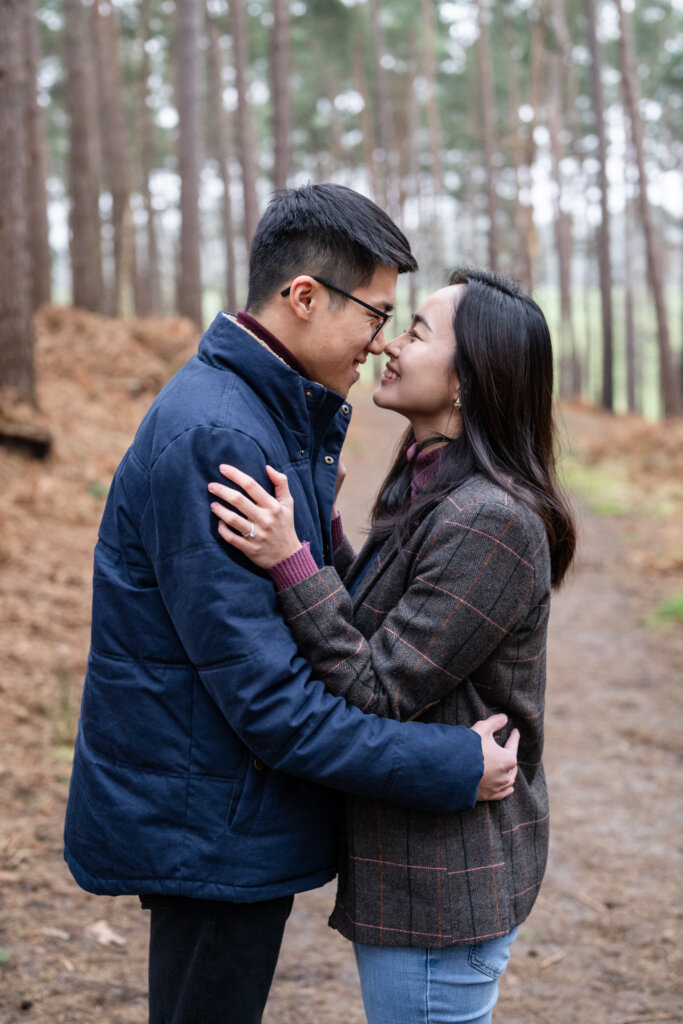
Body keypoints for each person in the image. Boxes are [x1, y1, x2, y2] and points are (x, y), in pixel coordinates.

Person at [63, 187, 519, 1024]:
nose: (380, 341)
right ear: (304, 298)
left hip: (222, 809)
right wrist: (450, 765)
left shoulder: (267, 421)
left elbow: (323, 629)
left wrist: (314, 545)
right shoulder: (225, 437)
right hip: (208, 821)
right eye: (376, 314)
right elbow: (272, 702)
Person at [208, 267, 577, 1024]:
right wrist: (327, 533)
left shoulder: (488, 519)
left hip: (445, 886)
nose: (387, 344)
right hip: (420, 868)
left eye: (415, 331)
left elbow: (376, 687)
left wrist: (290, 562)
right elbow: (381, 625)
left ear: (467, 383)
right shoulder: (433, 485)